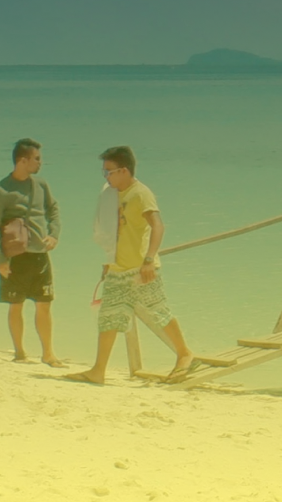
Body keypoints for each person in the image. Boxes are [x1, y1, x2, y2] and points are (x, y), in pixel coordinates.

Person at [67, 146, 194, 384]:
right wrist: (108, 261)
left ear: (124, 171)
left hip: (140, 269)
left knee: (159, 312)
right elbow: (110, 231)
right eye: (104, 171)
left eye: (109, 171)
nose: (106, 176)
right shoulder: (111, 194)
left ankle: (185, 354)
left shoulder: (140, 194)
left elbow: (158, 226)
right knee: (108, 318)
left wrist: (149, 260)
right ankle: (98, 371)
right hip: (117, 268)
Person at [0, 138, 62, 364]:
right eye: (37, 159)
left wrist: (54, 234)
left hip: (40, 255)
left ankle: (48, 353)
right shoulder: (1, 190)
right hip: (14, 257)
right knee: (16, 306)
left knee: (44, 304)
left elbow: (53, 210)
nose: (40, 163)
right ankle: (19, 353)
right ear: (22, 160)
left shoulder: (41, 185)